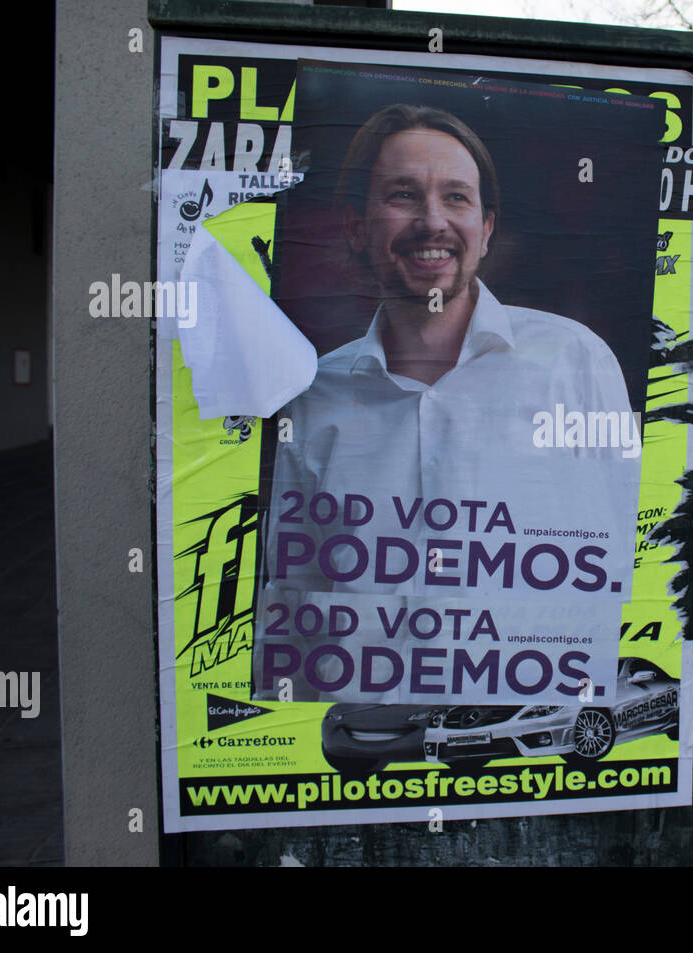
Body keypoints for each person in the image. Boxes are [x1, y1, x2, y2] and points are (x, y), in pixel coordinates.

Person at [255, 104, 642, 701]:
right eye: (403, 195)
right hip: (357, 747)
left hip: (515, 744)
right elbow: (291, 591)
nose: (432, 221)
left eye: (456, 197)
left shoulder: (575, 361)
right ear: (356, 226)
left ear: (486, 229)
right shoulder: (312, 394)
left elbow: (615, 563)